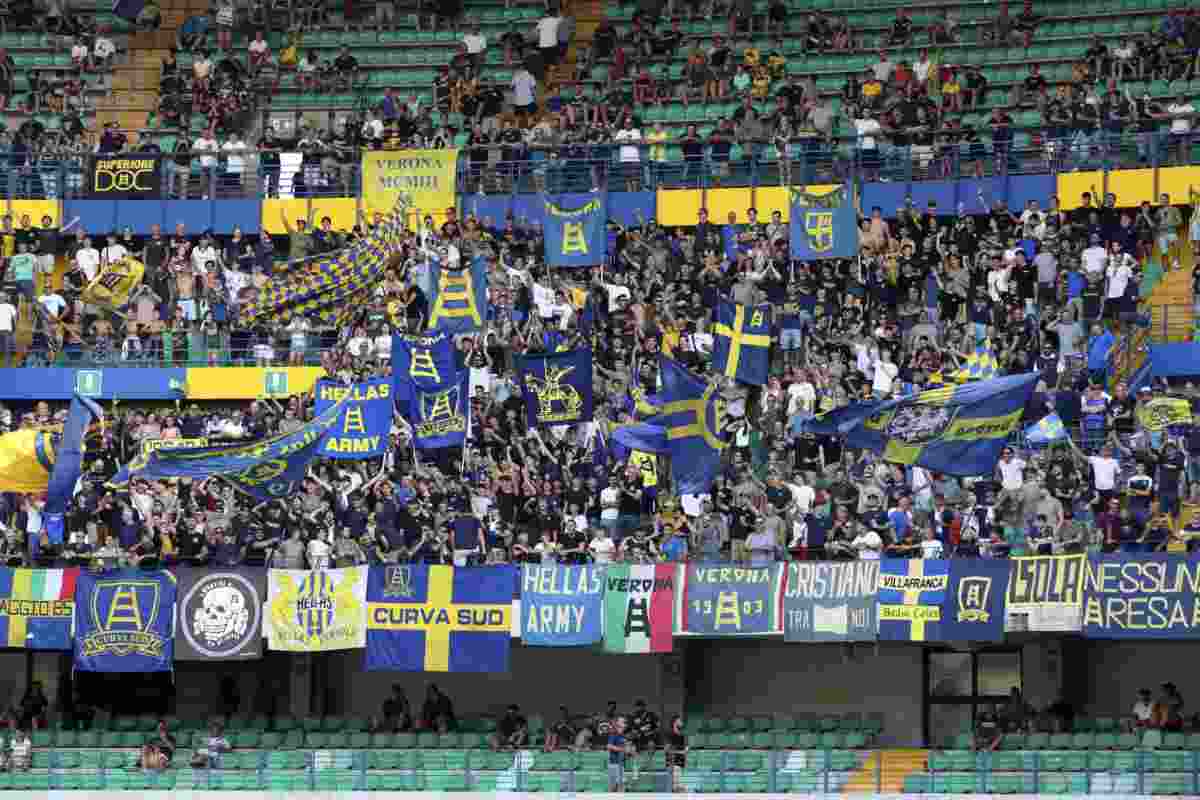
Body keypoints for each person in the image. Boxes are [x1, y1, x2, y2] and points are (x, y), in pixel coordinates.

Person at [607, 716, 630, 792]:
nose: (624, 723)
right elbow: (609, 746)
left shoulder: (623, 736)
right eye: (622, 721)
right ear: (617, 723)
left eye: (624, 722)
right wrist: (622, 749)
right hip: (614, 764)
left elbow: (625, 749)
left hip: (621, 764)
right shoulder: (613, 734)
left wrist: (628, 752)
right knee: (613, 788)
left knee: (621, 787)